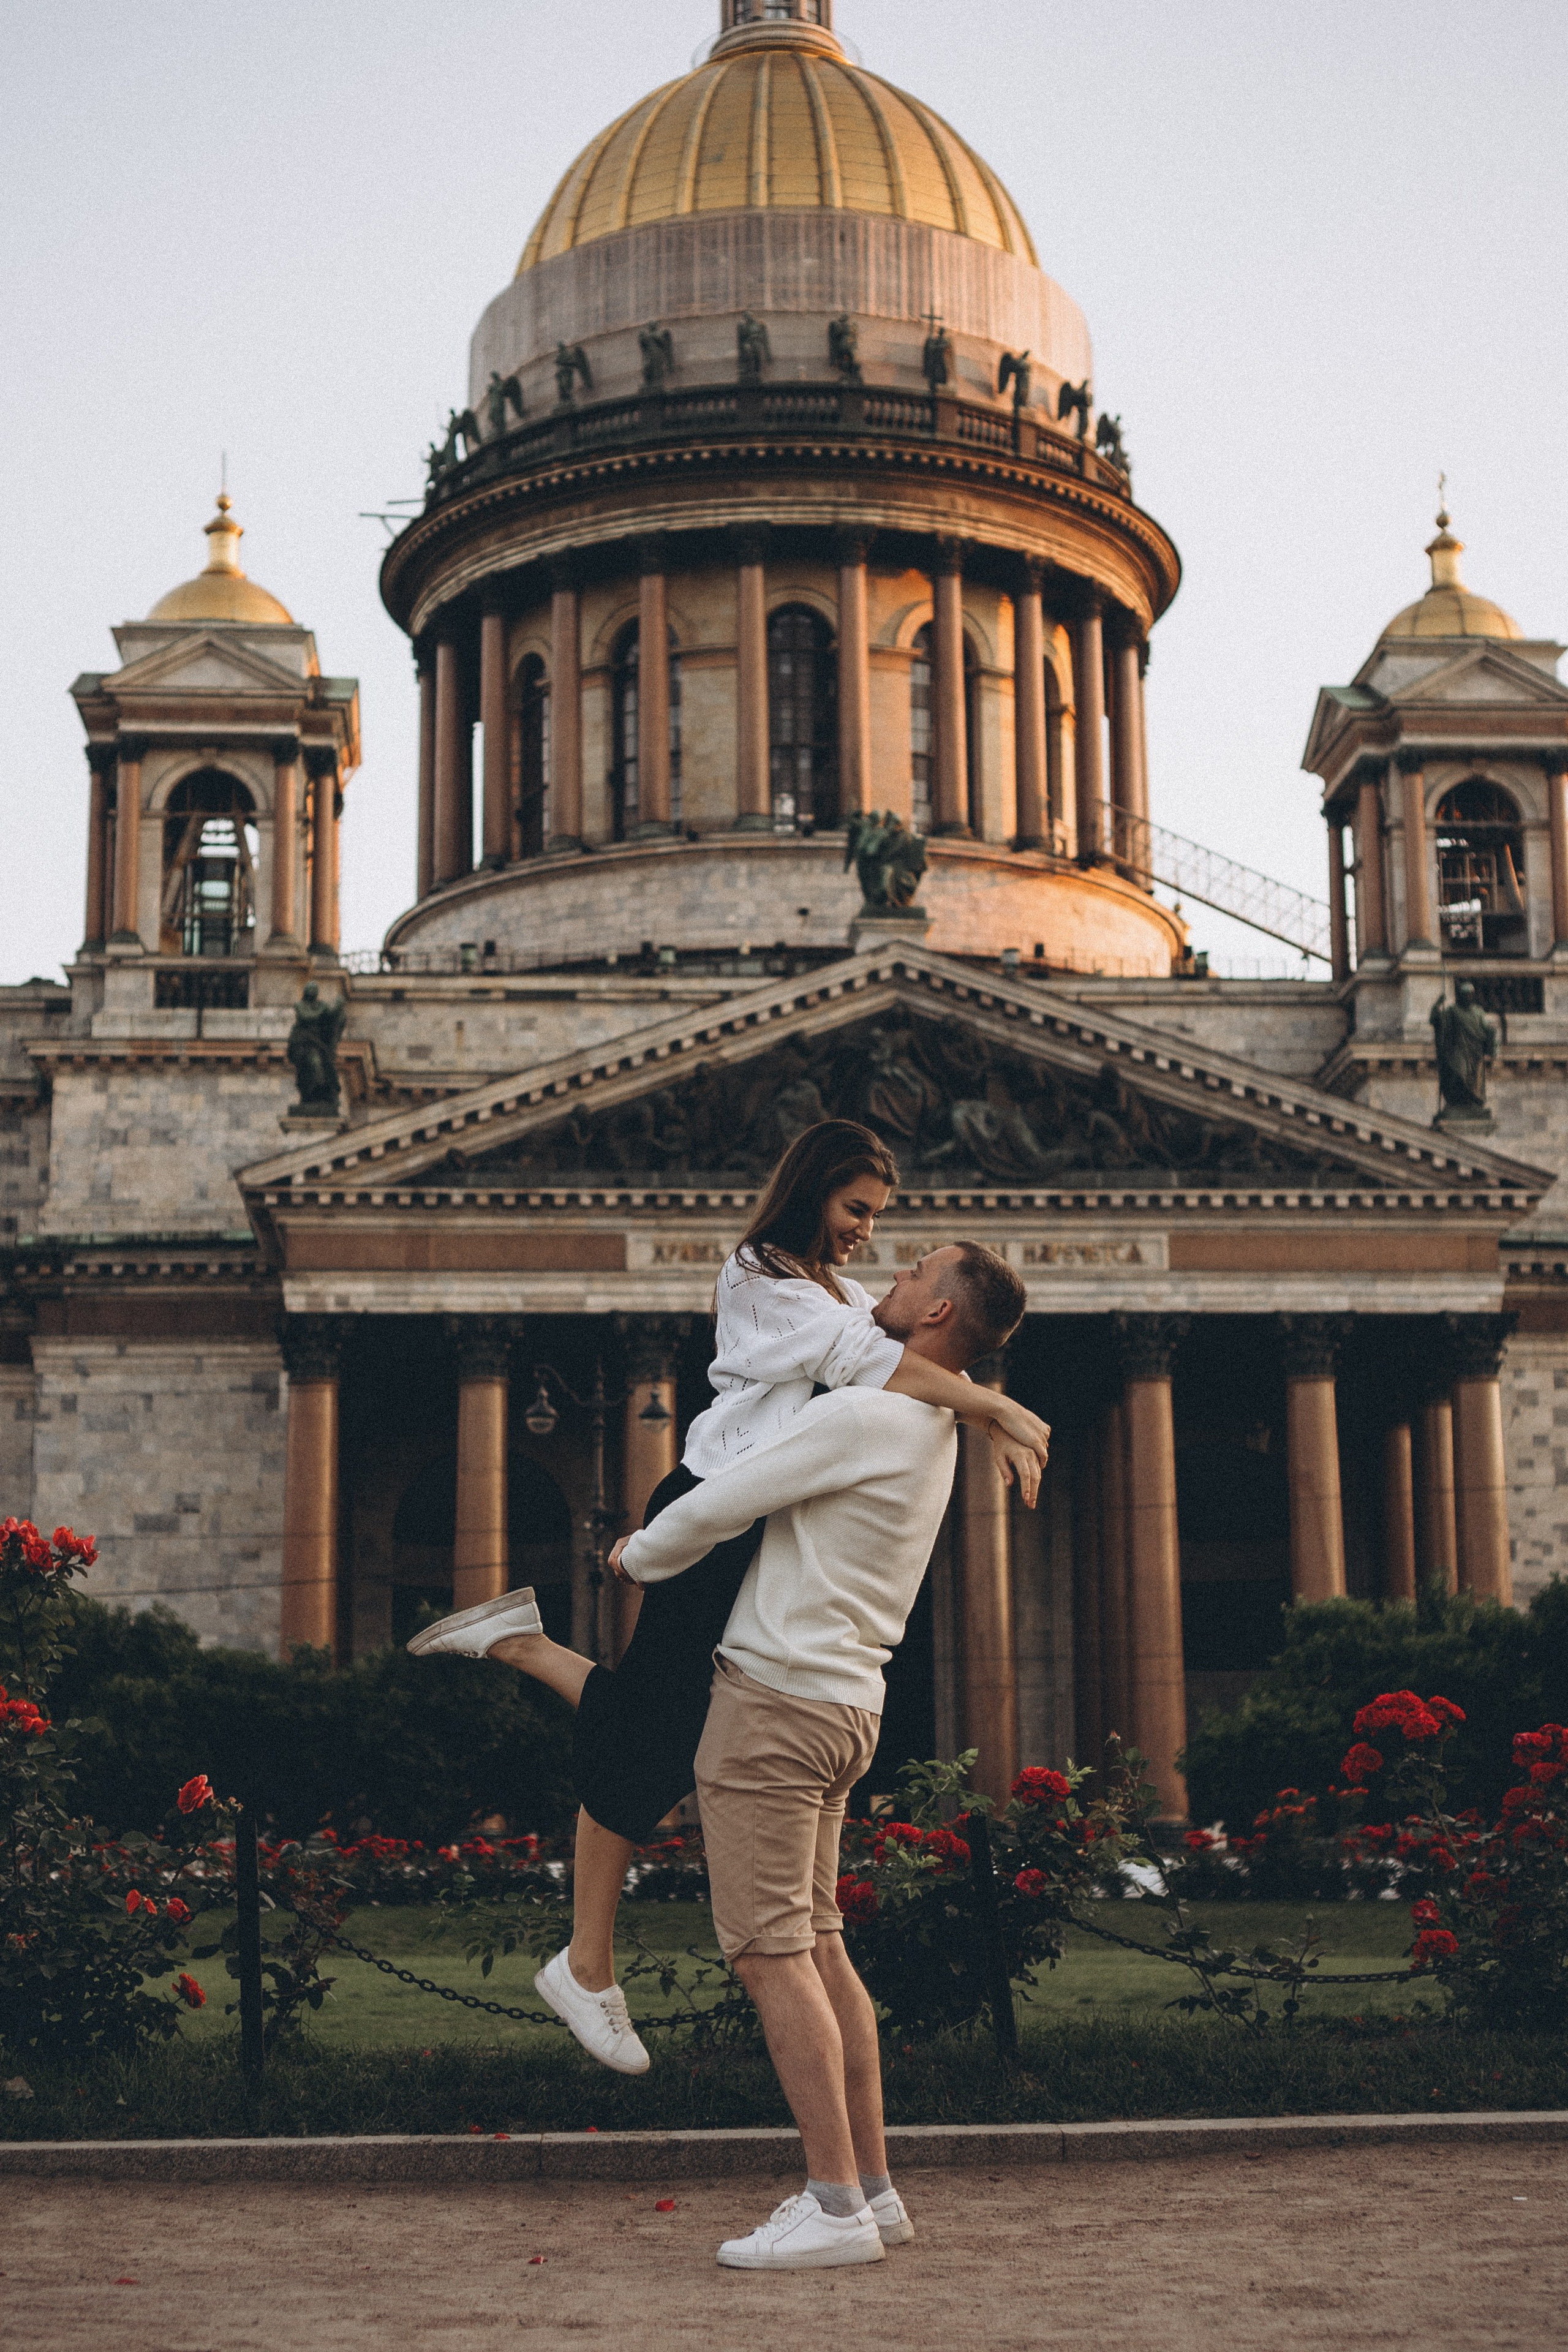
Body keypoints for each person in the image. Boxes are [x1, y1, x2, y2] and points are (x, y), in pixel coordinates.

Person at [407, 1122, 1050, 2076]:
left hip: (740, 1521)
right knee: (655, 1735)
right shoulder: (760, 1272)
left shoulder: (830, 1290)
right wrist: (995, 1404)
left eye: (882, 1223)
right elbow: (863, 1364)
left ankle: (521, 1645)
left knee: (664, 1720)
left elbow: (877, 1366)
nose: (869, 1237)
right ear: (812, 1189)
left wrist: (975, 1397)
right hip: (710, 1507)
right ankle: (584, 1967)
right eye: (857, 1210)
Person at [613, 1238, 1028, 2269]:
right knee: (820, 1941)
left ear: (935, 1317)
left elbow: (719, 1502)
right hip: (848, 1703)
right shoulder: (937, 1419)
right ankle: (875, 2189)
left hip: (774, 1705)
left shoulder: (861, 1412)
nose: (880, 1285)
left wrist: (635, 1555)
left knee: (767, 1951)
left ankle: (834, 2202)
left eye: (905, 1279)